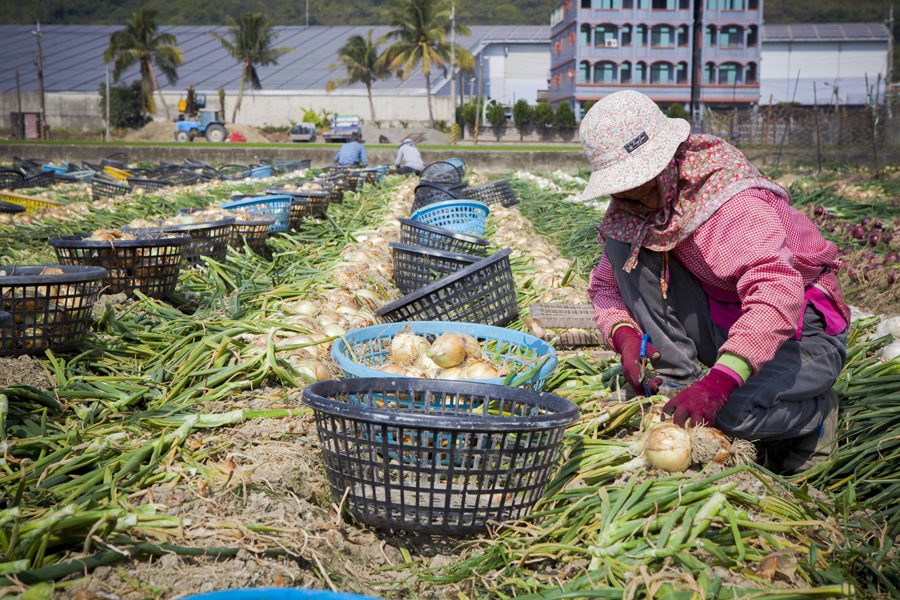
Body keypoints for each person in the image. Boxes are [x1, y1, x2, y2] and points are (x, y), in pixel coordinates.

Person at [581, 90, 849, 471]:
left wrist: (720, 383)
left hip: (802, 336)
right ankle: (678, 381)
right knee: (623, 247)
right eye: (622, 184)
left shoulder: (727, 199)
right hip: (727, 320)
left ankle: (816, 414)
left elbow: (777, 292)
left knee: (729, 415)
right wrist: (623, 334)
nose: (628, 193)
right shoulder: (634, 207)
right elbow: (607, 287)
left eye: (639, 179)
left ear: (666, 158)